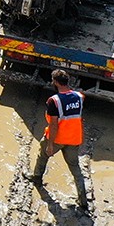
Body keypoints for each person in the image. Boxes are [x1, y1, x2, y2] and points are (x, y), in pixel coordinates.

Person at [32, 68, 88, 205]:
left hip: (58, 138)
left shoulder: (54, 101)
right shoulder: (80, 97)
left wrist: (50, 144)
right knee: (75, 169)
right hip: (74, 139)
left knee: (43, 156)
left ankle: (37, 179)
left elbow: (54, 124)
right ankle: (83, 200)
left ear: (56, 82)